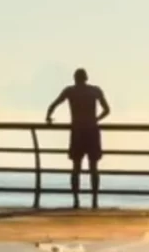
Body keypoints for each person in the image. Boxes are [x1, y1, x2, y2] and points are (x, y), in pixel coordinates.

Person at [47, 68, 110, 209]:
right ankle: (94, 200)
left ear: (75, 78)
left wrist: (48, 118)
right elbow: (107, 110)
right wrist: (95, 119)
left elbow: (53, 105)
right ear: (86, 78)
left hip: (77, 131)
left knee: (76, 167)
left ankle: (76, 200)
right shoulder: (95, 91)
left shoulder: (70, 91)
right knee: (93, 168)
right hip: (92, 131)